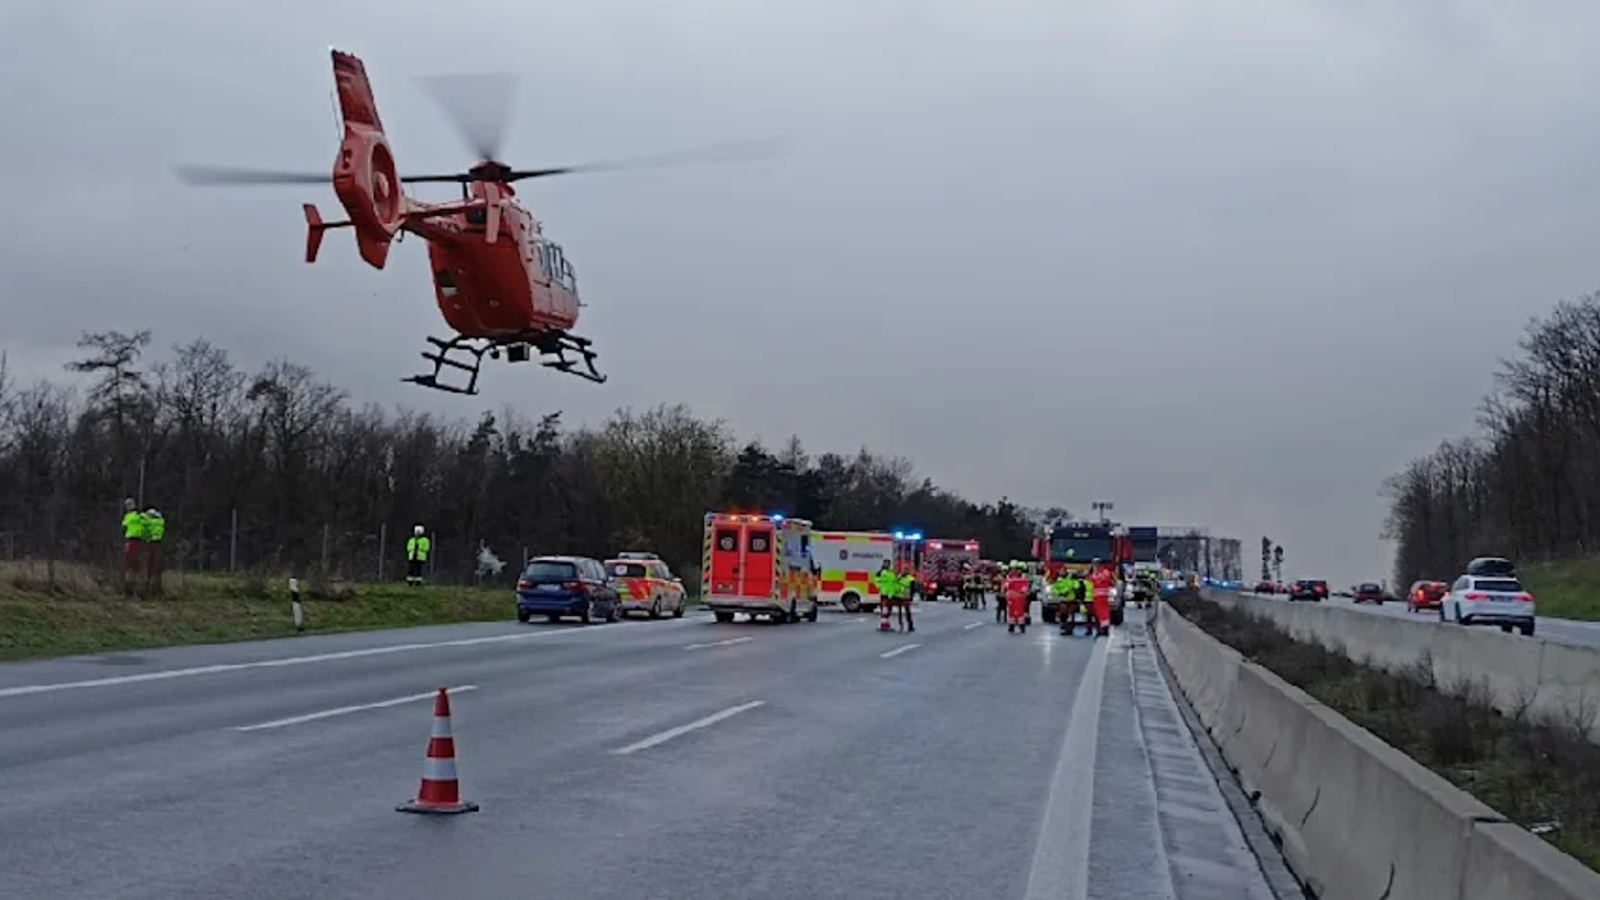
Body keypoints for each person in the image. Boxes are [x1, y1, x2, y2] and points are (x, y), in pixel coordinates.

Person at [120, 498, 144, 595]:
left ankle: (128, 589)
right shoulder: (140, 516)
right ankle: (136, 589)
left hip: (131, 541)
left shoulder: (129, 516)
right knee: (136, 565)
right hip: (139, 541)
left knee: (129, 565)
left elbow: (123, 525)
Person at [1089, 559, 1115, 637]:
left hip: (1102, 596)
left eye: (1095, 565)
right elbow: (1091, 580)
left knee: (1104, 613)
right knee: (1099, 613)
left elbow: (1098, 580)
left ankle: (1105, 629)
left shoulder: (1104, 572)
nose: (1094, 566)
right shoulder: (1095, 573)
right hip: (1097, 596)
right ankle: (1101, 628)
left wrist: (1094, 576)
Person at [141, 507, 165, 593]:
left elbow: (145, 527)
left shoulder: (151, 522)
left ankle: (148, 585)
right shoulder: (160, 521)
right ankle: (156, 586)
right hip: (158, 543)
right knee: (157, 565)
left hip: (151, 543)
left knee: (150, 564)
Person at [1003, 565, 1031, 633]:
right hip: (1013, 598)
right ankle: (1013, 625)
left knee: (1019, 612)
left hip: (1018, 598)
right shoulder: (1010, 579)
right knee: (1012, 612)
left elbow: (1025, 588)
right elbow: (1006, 586)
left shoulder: (1023, 579)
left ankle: (1020, 625)